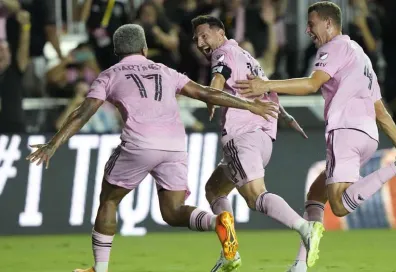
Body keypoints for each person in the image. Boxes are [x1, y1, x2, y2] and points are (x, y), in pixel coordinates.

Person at [25, 24, 280, 272]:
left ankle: (99, 268)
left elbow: (83, 112)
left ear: (116, 51)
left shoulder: (110, 74)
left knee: (109, 200)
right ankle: (217, 221)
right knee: (173, 212)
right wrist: (249, 105)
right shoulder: (165, 71)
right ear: (145, 48)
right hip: (174, 146)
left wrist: (53, 143)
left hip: (140, 144)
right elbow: (205, 93)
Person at [231, 2, 396, 272]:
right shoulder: (361, 57)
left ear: (328, 23)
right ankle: (299, 265)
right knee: (316, 196)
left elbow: (311, 84)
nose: (308, 30)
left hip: (346, 131)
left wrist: (265, 84)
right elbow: (381, 111)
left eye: (312, 24)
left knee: (338, 205)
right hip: (366, 136)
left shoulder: (334, 48)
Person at [191, 15, 322, 272]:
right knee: (214, 189)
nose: (200, 42)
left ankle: (306, 229)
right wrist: (285, 116)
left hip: (242, 136)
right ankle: (230, 252)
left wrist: (211, 95)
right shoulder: (247, 56)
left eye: (204, 35)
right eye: (196, 38)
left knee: (255, 197)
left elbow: (219, 78)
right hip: (261, 137)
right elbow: (265, 90)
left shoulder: (222, 54)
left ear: (220, 33)